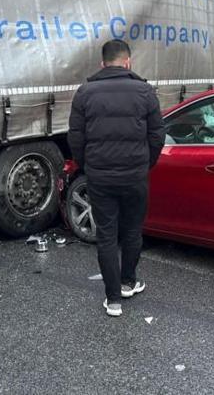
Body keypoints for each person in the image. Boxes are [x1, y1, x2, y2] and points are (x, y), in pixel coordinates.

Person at [68, 40, 166, 317]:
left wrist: (88, 166)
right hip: (135, 175)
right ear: (128, 62)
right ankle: (128, 282)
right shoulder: (145, 91)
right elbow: (157, 135)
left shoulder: (85, 93)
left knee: (107, 236)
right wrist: (146, 164)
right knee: (133, 231)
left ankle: (113, 300)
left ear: (102, 64)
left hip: (100, 177)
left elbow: (76, 137)